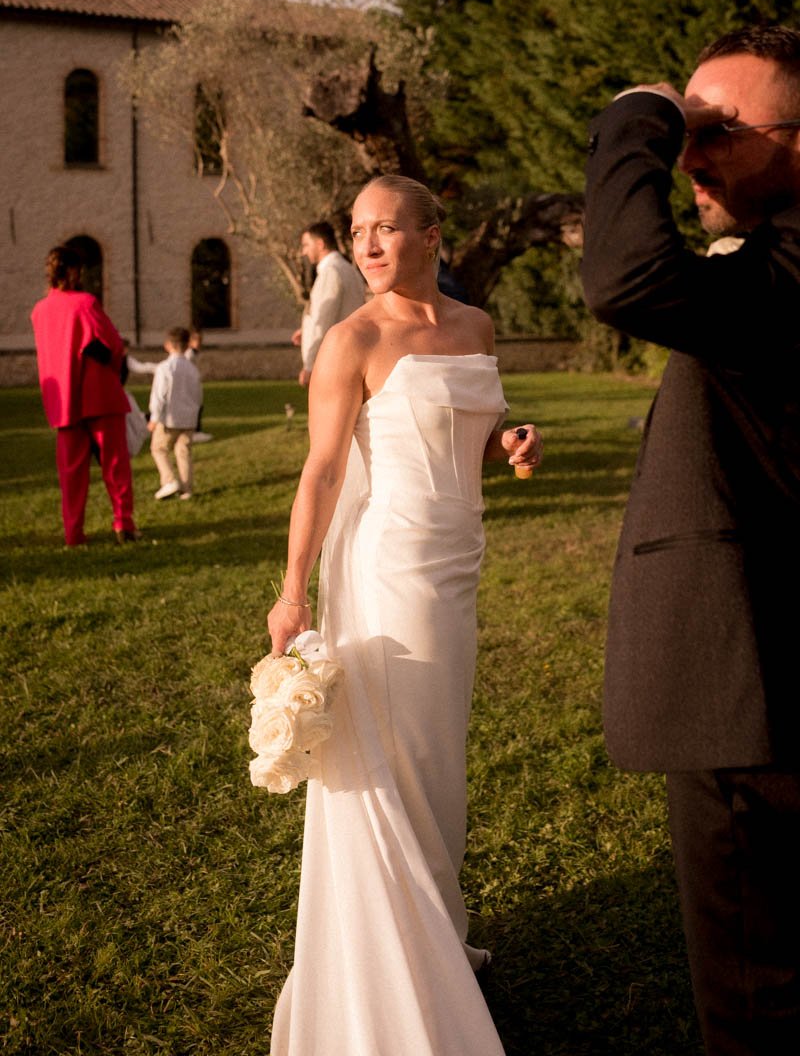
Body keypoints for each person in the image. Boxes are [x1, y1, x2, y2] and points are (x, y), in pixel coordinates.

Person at [266, 174, 542, 1055]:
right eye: (358, 231)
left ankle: (433, 930)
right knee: (403, 758)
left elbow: (471, 428)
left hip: (457, 567)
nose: (368, 245)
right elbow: (322, 471)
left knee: (438, 760)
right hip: (390, 572)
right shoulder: (353, 338)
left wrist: (509, 443)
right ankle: (399, 960)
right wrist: (292, 590)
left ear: (431, 235)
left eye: (386, 228)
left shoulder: (476, 327)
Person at [581, 24, 800, 1055]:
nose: (688, 156)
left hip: (755, 694)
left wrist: (639, 112)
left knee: (756, 998)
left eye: (714, 129)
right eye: (683, 131)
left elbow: (626, 278)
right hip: (760, 675)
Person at [30, 245, 138, 546]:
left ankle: (73, 533)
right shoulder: (85, 302)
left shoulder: (39, 311)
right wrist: (112, 369)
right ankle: (123, 524)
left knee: (71, 474)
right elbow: (113, 344)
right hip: (98, 394)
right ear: (74, 271)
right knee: (114, 466)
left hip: (64, 401)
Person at [291, 220, 365, 386]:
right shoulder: (348, 269)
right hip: (351, 357)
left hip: (333, 363)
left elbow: (323, 321)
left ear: (320, 244)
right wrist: (306, 331)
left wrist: (310, 365)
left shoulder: (330, 272)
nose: (303, 252)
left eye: (306, 245)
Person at [147, 327, 203, 501]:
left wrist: (154, 418)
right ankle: (187, 489)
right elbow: (198, 395)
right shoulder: (193, 369)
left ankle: (169, 480)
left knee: (158, 449)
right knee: (183, 452)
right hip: (189, 418)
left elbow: (159, 395)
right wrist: (194, 414)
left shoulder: (165, 368)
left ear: (168, 345)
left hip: (169, 418)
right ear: (187, 346)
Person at [185, 327, 213, 442]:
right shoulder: (189, 354)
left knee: (199, 407)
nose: (199, 342)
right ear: (190, 342)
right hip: (190, 386)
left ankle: (196, 430)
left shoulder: (194, 353)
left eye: (200, 340)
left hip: (194, 384)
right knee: (195, 407)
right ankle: (195, 432)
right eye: (196, 340)